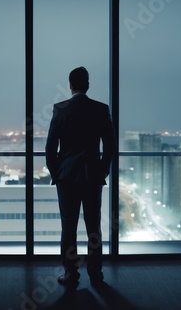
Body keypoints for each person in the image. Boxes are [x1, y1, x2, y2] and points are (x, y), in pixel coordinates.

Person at [45, 66, 117, 287]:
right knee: (93, 226)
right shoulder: (101, 109)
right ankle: (96, 273)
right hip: (92, 177)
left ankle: (71, 273)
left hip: (67, 178)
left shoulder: (60, 109)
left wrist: (57, 172)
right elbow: (111, 146)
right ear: (87, 84)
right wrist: (103, 169)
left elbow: (50, 148)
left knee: (69, 227)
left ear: (70, 85)